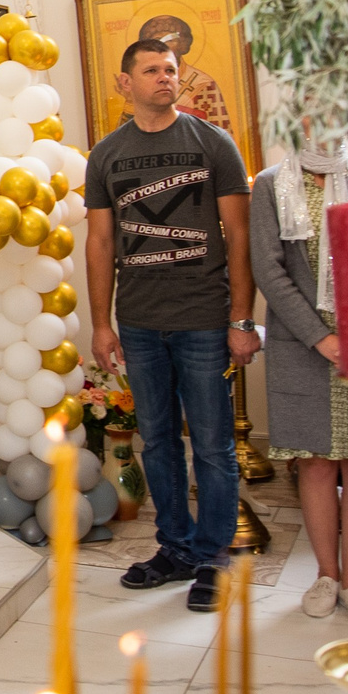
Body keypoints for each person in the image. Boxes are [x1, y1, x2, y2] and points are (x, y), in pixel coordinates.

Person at [86, 37, 255, 615]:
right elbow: (101, 241)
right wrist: (101, 324)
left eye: (171, 70)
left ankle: (213, 557)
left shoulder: (213, 144)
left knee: (211, 444)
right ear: (124, 82)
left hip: (204, 321)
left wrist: (241, 317)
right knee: (156, 441)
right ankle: (175, 549)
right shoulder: (106, 154)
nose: (165, 78)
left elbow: (239, 237)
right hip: (138, 322)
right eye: (151, 70)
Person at [251, 131, 348, 628]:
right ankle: (325, 575)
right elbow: (268, 268)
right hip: (300, 345)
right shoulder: (271, 184)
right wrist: (319, 336)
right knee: (314, 463)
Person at [136, 13, 233, 134]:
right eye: (156, 40)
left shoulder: (203, 84)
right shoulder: (140, 83)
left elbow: (220, 135)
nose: (162, 46)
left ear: (183, 44)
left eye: (170, 39)